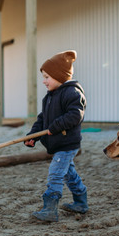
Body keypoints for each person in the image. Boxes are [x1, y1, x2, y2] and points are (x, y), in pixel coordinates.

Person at [24, 50, 88, 222]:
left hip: (68, 143)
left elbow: (75, 115)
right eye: (43, 77)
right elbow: (42, 119)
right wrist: (33, 136)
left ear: (59, 76)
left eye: (47, 77)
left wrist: (55, 127)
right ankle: (81, 202)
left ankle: (50, 209)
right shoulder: (50, 96)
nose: (44, 81)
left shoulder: (72, 93)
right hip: (58, 143)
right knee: (68, 174)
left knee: (55, 172)